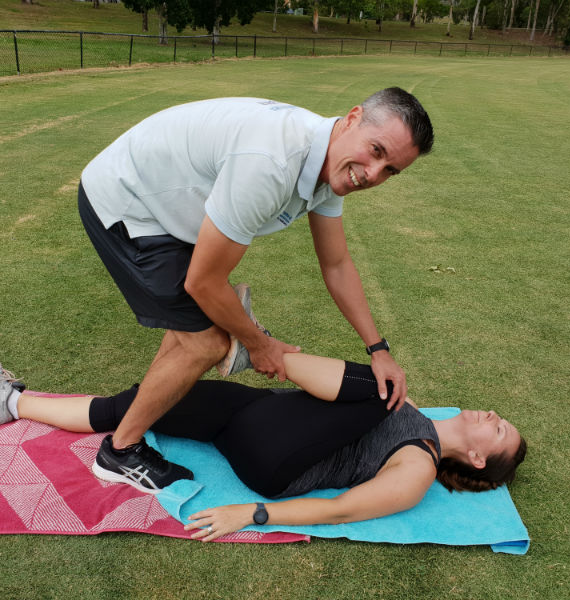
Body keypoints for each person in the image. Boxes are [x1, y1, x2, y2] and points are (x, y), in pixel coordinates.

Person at [78, 90, 435, 491]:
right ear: (353, 118)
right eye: (376, 150)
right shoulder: (272, 163)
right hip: (128, 202)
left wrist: (378, 348)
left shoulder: (328, 160)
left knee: (193, 327)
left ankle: (147, 408)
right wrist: (258, 343)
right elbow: (203, 282)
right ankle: (120, 452)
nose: (372, 173)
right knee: (208, 343)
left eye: (390, 169)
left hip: (167, 203)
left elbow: (336, 264)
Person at [0, 345, 526, 542]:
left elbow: (342, 508)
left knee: (376, 388)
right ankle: (8, 404)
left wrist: (254, 514)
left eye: (497, 429)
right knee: (140, 402)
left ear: (477, 459)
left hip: (277, 463)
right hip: (254, 413)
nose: (493, 415)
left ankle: (257, 347)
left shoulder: (419, 467)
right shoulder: (413, 412)